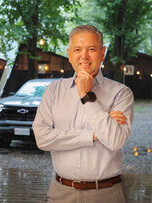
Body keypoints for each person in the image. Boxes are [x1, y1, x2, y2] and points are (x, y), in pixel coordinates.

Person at [32, 25, 134, 203]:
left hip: (107, 194)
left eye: (92, 49)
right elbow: (42, 139)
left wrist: (87, 96)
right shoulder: (54, 90)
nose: (84, 56)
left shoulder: (121, 93)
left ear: (102, 53)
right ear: (69, 54)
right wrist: (94, 135)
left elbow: (115, 140)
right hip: (61, 193)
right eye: (77, 49)